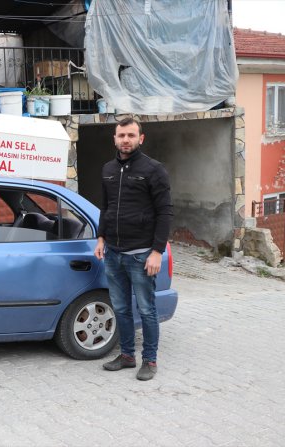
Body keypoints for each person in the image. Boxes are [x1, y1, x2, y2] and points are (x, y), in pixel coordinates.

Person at [94, 117, 173, 381]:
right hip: (114, 254)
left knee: (147, 309)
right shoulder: (107, 169)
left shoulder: (154, 170)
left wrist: (157, 251)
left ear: (141, 138)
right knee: (120, 308)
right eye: (121, 135)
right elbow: (105, 208)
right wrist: (101, 238)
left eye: (130, 135)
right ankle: (127, 355)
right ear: (114, 138)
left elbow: (165, 212)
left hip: (142, 255)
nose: (125, 140)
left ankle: (149, 360)